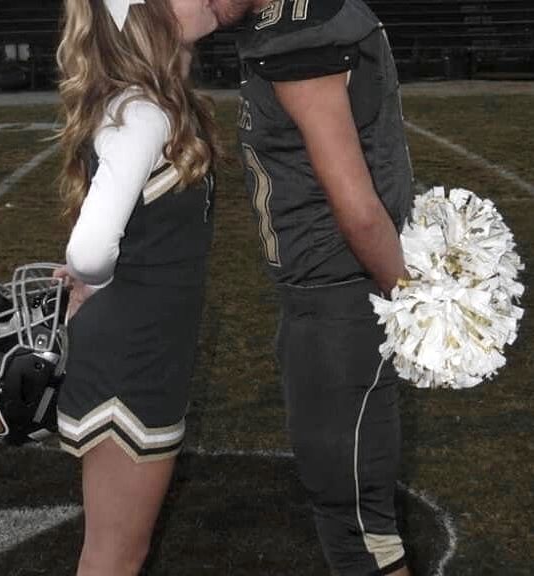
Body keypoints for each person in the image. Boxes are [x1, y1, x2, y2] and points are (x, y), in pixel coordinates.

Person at [210, 1, 414, 575]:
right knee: (358, 520)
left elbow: (358, 209)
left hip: (337, 299)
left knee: (358, 530)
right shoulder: (297, 16)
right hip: (332, 293)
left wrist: (415, 306)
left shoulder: (299, 35)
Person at [53, 1, 219, 574]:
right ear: (147, 18)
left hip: (141, 351)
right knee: (115, 556)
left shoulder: (147, 106)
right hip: (130, 361)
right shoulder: (143, 113)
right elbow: (90, 247)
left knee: (119, 551)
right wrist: (91, 282)